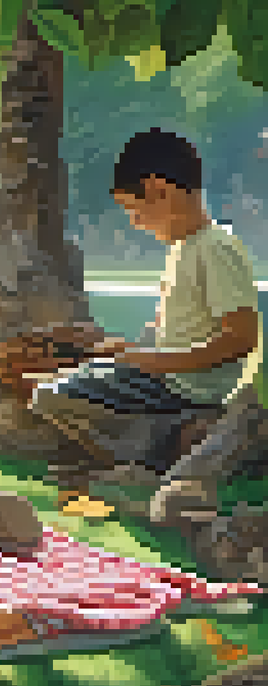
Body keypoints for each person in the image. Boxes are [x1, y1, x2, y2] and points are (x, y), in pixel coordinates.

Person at [28, 129, 260, 493]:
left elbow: (241, 338)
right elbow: (171, 330)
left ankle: (151, 455)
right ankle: (157, 443)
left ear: (159, 191)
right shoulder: (184, 248)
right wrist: (126, 350)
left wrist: (153, 362)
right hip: (168, 379)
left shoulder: (215, 249)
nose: (135, 222)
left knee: (50, 395)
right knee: (70, 378)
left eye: (134, 211)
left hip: (186, 386)